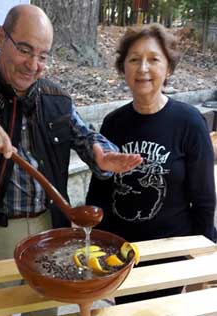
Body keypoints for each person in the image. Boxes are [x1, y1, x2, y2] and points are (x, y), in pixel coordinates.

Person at [0, 4, 142, 266]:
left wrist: (103, 155)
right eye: (24, 50)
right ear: (1, 38)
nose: (33, 65)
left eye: (43, 56)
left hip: (51, 230)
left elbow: (86, 136)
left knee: (47, 306)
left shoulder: (56, 98)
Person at [86, 23, 216, 303]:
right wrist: (96, 244)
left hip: (170, 252)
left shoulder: (190, 122)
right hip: (123, 253)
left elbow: (205, 201)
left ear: (168, 68)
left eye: (153, 59)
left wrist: (200, 257)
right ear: (124, 69)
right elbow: (99, 191)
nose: (143, 68)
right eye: (134, 59)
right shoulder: (113, 123)